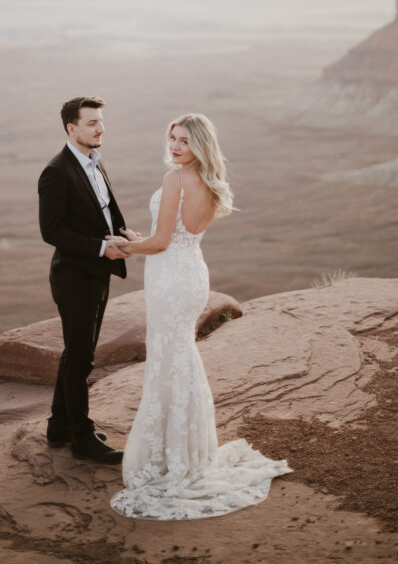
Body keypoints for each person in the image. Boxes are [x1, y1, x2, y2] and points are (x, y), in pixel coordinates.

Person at [110, 113, 292, 519]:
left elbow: (160, 243)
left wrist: (121, 247)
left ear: (199, 146)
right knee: (181, 356)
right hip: (190, 272)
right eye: (173, 138)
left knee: (167, 358)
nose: (175, 146)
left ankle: (171, 459)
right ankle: (190, 451)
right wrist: (145, 243)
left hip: (170, 278)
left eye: (185, 141)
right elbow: (177, 237)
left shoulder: (175, 180)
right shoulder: (208, 180)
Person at [38, 95, 130, 464]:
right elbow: (52, 231)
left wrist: (121, 234)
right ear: (70, 128)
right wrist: (99, 248)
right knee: (81, 359)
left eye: (101, 122)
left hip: (96, 273)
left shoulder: (93, 161)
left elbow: (102, 211)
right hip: (74, 278)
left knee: (77, 354)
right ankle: (81, 438)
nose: (100, 128)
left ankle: (59, 426)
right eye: (92, 123)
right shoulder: (56, 172)